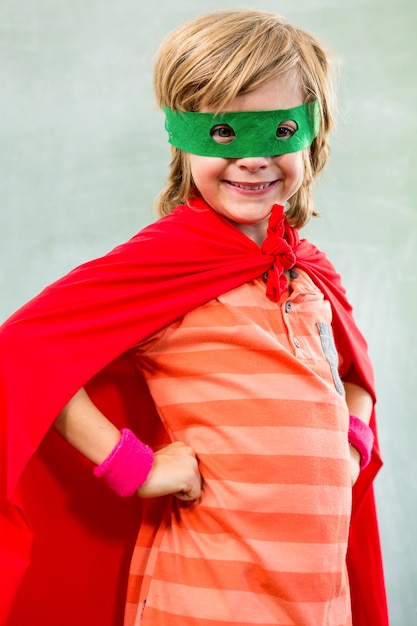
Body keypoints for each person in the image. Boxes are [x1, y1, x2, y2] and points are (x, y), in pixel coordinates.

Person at [0, 9, 388, 626]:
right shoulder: (167, 261)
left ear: (314, 134)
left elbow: (355, 370)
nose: (253, 160)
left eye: (279, 130)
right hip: (201, 596)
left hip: (316, 598)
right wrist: (134, 466)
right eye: (225, 134)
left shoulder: (307, 270)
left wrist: (353, 444)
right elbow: (22, 352)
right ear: (182, 139)